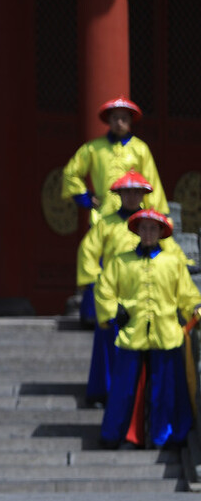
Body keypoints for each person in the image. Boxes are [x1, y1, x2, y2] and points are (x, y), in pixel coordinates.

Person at [76, 171, 188, 407]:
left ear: (143, 195)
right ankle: (102, 393)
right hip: (114, 292)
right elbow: (88, 252)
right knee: (106, 344)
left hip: (144, 297)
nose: (132, 197)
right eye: (127, 192)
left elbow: (172, 253)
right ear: (119, 195)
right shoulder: (105, 223)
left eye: (137, 192)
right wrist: (96, 282)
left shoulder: (150, 223)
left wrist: (187, 266)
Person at [95, 210, 201, 449]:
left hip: (166, 334)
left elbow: (186, 294)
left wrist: (195, 306)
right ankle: (117, 435)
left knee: (167, 390)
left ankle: (166, 436)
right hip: (132, 332)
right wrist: (114, 311)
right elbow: (104, 290)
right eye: (144, 228)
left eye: (153, 229)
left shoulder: (173, 262)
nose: (148, 233)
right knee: (123, 390)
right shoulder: (121, 261)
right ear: (137, 231)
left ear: (161, 232)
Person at [62, 96, 167, 225]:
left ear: (130, 121)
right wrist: (84, 197)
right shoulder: (93, 148)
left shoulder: (140, 149)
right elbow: (71, 172)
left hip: (134, 218)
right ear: (109, 120)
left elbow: (151, 182)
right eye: (115, 118)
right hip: (102, 215)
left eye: (124, 118)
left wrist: (155, 213)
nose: (119, 123)